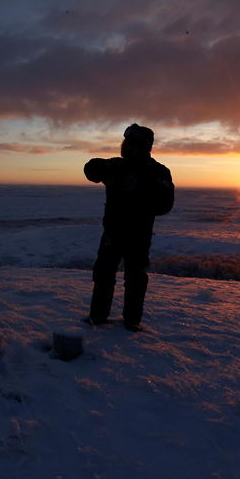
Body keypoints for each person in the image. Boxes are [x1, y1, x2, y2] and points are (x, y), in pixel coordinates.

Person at [84, 124, 174, 332]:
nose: (127, 147)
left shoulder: (159, 172)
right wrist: (104, 173)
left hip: (139, 235)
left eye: (132, 143)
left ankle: (132, 320)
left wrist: (140, 198)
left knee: (135, 277)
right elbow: (90, 169)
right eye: (126, 143)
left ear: (146, 146)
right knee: (104, 274)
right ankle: (98, 316)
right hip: (112, 233)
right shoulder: (116, 165)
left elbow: (165, 204)